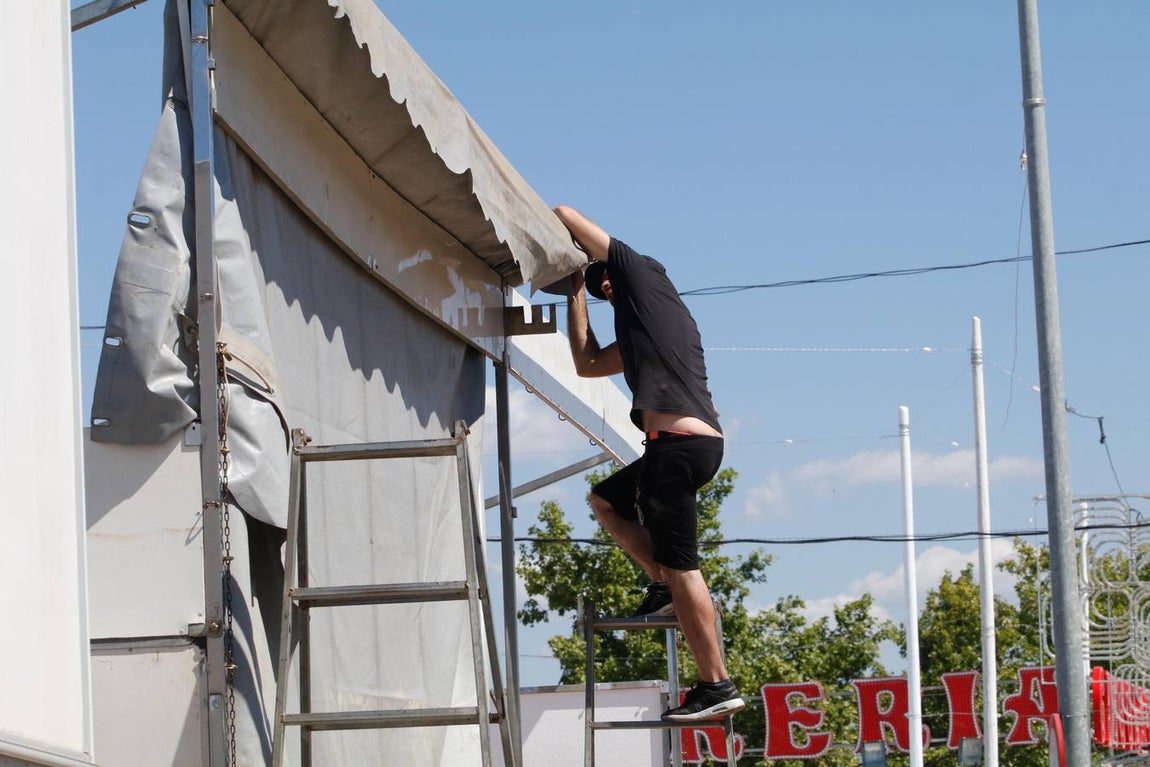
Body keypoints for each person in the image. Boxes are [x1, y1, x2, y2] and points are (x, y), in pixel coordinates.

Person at [554, 204, 745, 723]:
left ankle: (716, 684)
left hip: (678, 446)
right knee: (607, 501)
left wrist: (573, 259)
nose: (604, 289)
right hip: (678, 447)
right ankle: (660, 583)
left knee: (686, 567)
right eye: (598, 289)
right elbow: (587, 363)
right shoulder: (644, 332)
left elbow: (564, 213)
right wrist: (575, 296)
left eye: (604, 281)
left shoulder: (644, 277)